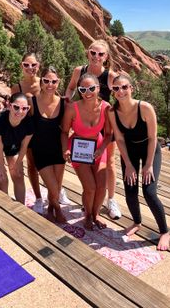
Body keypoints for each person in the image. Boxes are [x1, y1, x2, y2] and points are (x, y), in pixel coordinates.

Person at [108, 74, 170, 251]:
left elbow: (152, 138)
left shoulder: (145, 108)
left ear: (131, 88)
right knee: (130, 191)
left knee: (149, 192)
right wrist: (128, 164)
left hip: (150, 150)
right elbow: (119, 139)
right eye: (116, 88)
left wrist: (148, 165)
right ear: (113, 92)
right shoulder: (112, 112)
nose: (121, 91)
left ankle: (164, 232)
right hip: (130, 151)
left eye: (124, 87)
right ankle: (137, 222)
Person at [65, 39, 121, 220]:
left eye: (101, 54)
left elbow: (119, 96)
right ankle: (88, 199)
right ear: (88, 53)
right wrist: (67, 100)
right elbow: (71, 87)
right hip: (84, 123)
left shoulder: (110, 76)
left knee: (110, 162)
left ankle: (111, 200)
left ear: (106, 57)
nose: (96, 57)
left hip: (103, 123)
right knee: (87, 163)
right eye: (93, 53)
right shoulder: (79, 71)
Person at [11, 53, 70, 213]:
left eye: (33, 65)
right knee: (31, 165)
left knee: (53, 171)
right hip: (30, 133)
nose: (30, 68)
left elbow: (54, 101)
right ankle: (38, 198)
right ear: (21, 66)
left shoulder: (44, 82)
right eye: (26, 65)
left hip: (47, 135)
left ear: (39, 66)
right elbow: (16, 111)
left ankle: (56, 193)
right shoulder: (17, 87)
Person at [62, 73, 112, 230]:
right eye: (83, 89)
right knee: (90, 187)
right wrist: (66, 150)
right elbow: (64, 132)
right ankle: (88, 216)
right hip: (78, 148)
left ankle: (96, 214)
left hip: (98, 147)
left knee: (101, 186)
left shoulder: (106, 108)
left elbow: (109, 134)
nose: (87, 92)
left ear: (98, 88)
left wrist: (102, 148)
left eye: (91, 88)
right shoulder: (72, 108)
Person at [29, 66, 66, 223]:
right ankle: (58, 209)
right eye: (46, 81)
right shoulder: (31, 102)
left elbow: (65, 130)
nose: (50, 84)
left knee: (57, 186)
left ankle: (51, 207)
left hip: (58, 151)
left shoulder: (64, 103)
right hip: (40, 151)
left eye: (54, 81)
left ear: (58, 82)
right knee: (52, 185)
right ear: (41, 81)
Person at [0, 92, 34, 203]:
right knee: (2, 179)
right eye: (16, 107)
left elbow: (24, 147)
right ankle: (4, 209)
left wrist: (18, 163)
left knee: (18, 174)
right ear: (10, 106)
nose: (20, 112)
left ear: (28, 108)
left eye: (24, 108)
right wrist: (1, 167)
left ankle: (21, 207)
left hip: (12, 144)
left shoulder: (29, 123)